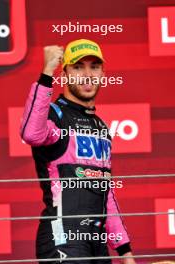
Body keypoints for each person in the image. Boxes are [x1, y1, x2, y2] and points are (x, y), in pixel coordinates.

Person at [20, 39, 136, 264]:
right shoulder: (54, 115)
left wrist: (125, 251)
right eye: (78, 67)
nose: (87, 74)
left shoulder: (101, 128)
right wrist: (46, 73)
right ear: (65, 73)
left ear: (103, 73)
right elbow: (31, 134)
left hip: (97, 240)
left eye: (94, 67)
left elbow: (106, 195)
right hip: (62, 235)